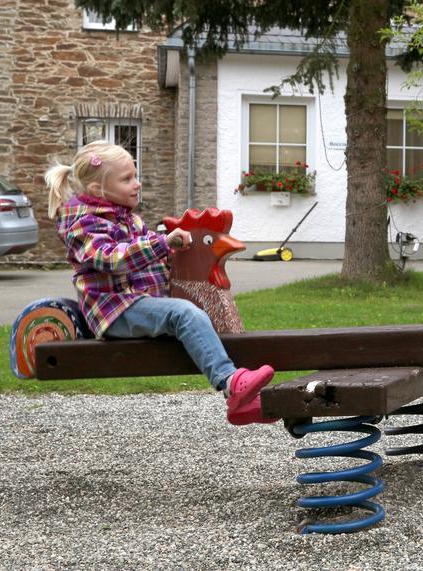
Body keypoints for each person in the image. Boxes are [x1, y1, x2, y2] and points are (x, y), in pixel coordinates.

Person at [44, 141, 276, 426]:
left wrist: (176, 255)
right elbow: (111, 259)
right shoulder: (83, 224)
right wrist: (161, 243)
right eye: (127, 179)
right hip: (116, 310)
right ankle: (231, 384)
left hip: (139, 303)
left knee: (202, 311)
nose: (137, 184)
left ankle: (246, 400)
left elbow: (153, 258)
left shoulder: (129, 219)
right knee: (183, 313)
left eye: (135, 175)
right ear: (97, 191)